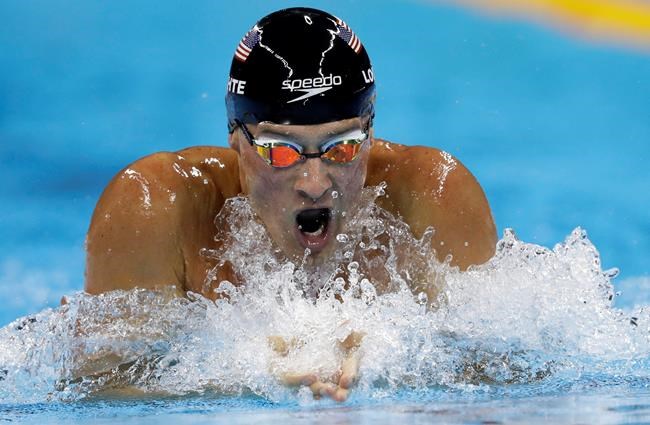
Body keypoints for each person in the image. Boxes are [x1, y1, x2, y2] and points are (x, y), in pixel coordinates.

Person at [83, 7, 497, 401]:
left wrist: (399, 357)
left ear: (370, 132)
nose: (314, 185)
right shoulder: (156, 206)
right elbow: (100, 391)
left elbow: (500, 374)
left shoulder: (432, 195)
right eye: (280, 152)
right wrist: (244, 369)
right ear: (235, 137)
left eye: (342, 149)